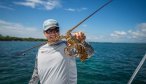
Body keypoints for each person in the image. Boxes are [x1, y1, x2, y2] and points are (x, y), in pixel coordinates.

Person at [29, 19, 94, 84]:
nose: (54, 33)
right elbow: (36, 72)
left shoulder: (67, 45)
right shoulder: (41, 50)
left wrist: (82, 41)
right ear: (44, 33)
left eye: (56, 30)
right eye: (49, 30)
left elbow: (90, 53)